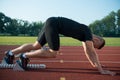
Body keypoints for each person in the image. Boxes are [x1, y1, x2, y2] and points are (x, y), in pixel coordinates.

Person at [3, 17, 116, 75]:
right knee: (53, 53)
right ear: (97, 40)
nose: (93, 46)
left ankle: (10, 54)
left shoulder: (85, 34)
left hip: (51, 21)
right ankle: (24, 56)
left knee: (36, 45)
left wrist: (94, 64)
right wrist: (101, 70)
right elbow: (92, 51)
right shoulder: (87, 32)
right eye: (96, 45)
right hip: (54, 25)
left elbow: (88, 51)